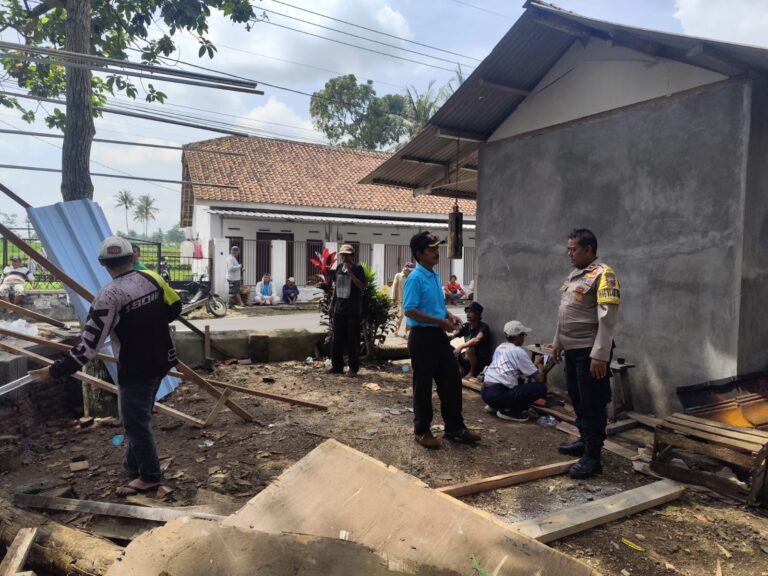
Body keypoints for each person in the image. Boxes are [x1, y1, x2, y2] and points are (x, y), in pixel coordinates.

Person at [29, 236, 181, 498]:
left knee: (136, 424)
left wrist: (53, 371)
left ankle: (149, 477)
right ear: (133, 257)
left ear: (102, 264)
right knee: (138, 417)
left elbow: (88, 348)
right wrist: (149, 324)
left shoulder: (108, 296)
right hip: (162, 360)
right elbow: (175, 307)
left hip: (136, 369)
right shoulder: (152, 279)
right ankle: (132, 467)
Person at [552, 228, 621, 479]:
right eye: (568, 249)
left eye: (574, 249)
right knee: (577, 398)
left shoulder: (604, 275)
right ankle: (584, 440)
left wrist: (600, 354)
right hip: (572, 349)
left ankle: (593, 457)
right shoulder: (575, 276)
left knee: (592, 403)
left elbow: (608, 318)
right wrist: (557, 342)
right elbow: (565, 313)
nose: (569, 254)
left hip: (590, 351)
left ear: (589, 250)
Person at [403, 231, 481, 449]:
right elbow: (409, 310)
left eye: (437, 247)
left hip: (437, 336)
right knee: (423, 386)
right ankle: (422, 430)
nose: (436, 251)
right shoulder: (415, 278)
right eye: (431, 249)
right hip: (422, 337)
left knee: (451, 380)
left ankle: (455, 427)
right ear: (419, 253)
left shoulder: (433, 274)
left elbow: (435, 305)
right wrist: (439, 321)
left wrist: (448, 315)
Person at [481, 321, 548, 422]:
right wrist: (542, 370)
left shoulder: (501, 347)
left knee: (519, 380)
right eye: (523, 335)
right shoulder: (518, 351)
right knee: (540, 388)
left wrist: (534, 364)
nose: (524, 338)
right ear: (518, 336)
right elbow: (539, 379)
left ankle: (495, 406)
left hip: (485, 392)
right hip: (498, 394)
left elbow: (513, 370)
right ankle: (510, 411)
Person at [328, 244, 365, 376]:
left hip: (353, 311)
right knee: (337, 339)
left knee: (352, 340)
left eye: (347, 255)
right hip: (339, 309)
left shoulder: (358, 269)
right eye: (342, 255)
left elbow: (362, 286)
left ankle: (353, 368)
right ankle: (337, 366)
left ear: (352, 256)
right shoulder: (339, 267)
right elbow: (336, 287)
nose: (344, 257)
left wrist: (350, 273)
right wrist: (332, 304)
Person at [453, 301, 492, 379]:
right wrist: (454, 327)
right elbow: (453, 336)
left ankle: (472, 373)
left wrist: (461, 346)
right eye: (467, 312)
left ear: (477, 314)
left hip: (479, 359)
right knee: (449, 347)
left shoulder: (483, 327)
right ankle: (461, 369)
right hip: (467, 357)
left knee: (469, 348)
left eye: (471, 312)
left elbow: (477, 339)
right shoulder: (466, 326)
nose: (468, 314)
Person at [390, 262, 414, 337]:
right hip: (401, 299)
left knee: (409, 316)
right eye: (409, 270)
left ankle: (406, 332)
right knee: (400, 315)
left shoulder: (412, 276)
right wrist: (393, 298)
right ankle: (395, 330)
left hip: (409, 299)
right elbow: (394, 287)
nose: (410, 271)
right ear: (405, 268)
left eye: (411, 270)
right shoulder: (398, 275)